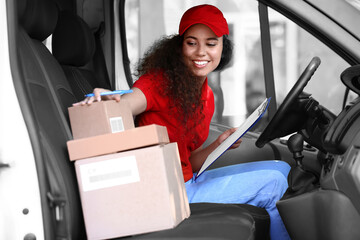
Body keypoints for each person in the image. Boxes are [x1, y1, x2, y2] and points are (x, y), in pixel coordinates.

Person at [75, 4, 291, 240]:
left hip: (188, 181)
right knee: (273, 183)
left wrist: (218, 145)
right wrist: (113, 100)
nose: (201, 52)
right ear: (179, 47)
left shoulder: (207, 96)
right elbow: (128, 104)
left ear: (222, 48)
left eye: (211, 43)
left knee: (282, 168)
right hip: (165, 191)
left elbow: (188, 162)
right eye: (191, 43)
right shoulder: (159, 81)